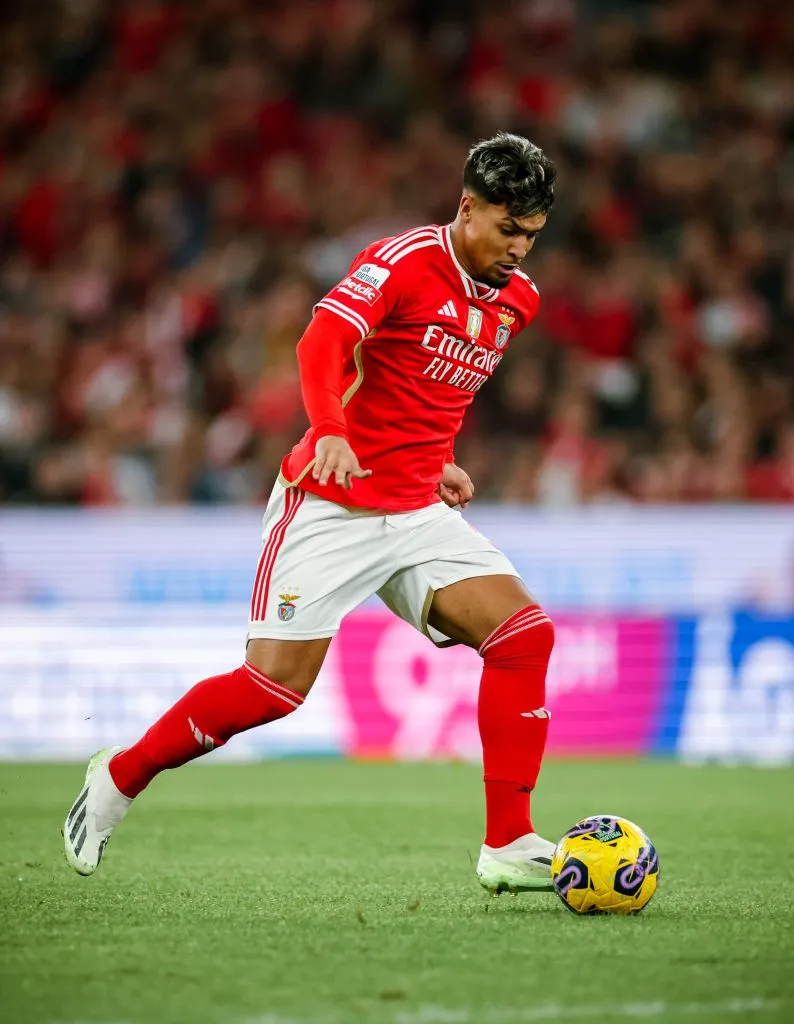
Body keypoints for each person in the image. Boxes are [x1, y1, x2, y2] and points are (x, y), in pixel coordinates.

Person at [63, 132, 558, 895]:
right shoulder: (401, 262)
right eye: (507, 227)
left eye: (531, 233)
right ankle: (119, 776)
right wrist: (328, 431)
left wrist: (440, 458)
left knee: (524, 636)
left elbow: (434, 387)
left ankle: (508, 841)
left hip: (415, 509)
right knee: (272, 691)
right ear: (467, 207)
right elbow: (320, 342)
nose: (519, 248)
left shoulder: (516, 302)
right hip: (330, 502)